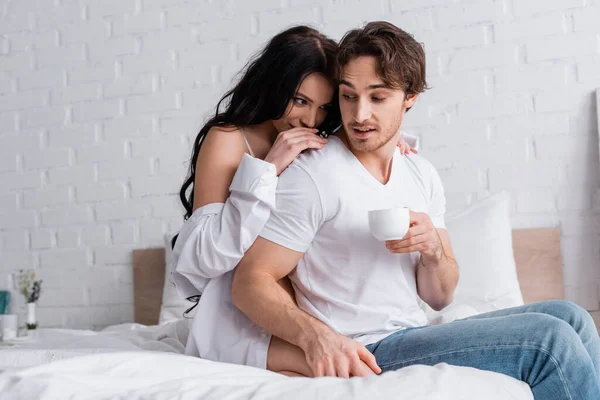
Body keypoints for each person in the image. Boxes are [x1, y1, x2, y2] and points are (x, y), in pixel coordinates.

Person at [231, 21, 600, 398]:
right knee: (548, 341)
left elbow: (440, 297)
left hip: (416, 331)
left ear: (411, 97)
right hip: (368, 347)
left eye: (377, 98)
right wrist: (317, 338)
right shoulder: (313, 174)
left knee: (572, 317)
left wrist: (432, 251)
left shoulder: (420, 173)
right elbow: (250, 281)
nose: (359, 115)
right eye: (348, 96)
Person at [171, 25, 417, 375]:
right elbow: (202, 261)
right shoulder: (228, 139)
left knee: (357, 361)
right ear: (273, 85)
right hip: (237, 312)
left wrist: (393, 143)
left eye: (324, 107)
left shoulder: (316, 138)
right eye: (300, 100)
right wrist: (266, 170)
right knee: (356, 371)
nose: (310, 118)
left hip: (302, 309)